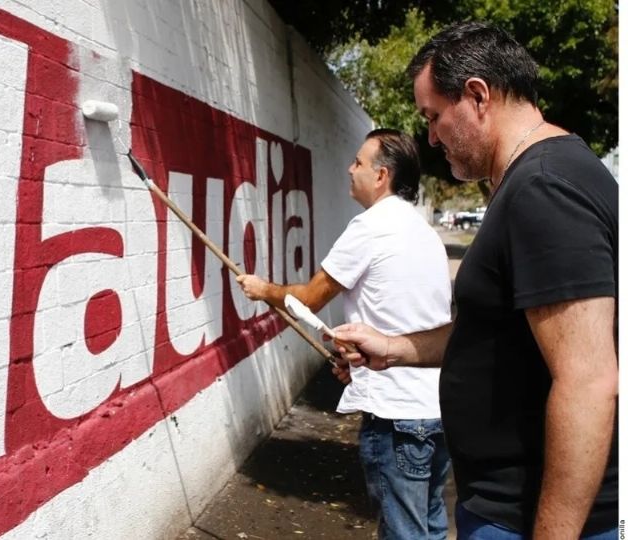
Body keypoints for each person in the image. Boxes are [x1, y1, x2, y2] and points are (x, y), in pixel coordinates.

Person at [332, 21, 618, 540]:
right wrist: (392, 347)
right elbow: (497, 331)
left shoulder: (544, 187)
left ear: (478, 95)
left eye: (434, 117)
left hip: (526, 517)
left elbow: (590, 380)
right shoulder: (535, 179)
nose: (431, 137)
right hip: (500, 506)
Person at [237, 129, 453, 539]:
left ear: (381, 176)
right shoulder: (424, 231)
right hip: (438, 408)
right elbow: (408, 316)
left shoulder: (369, 227)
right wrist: (356, 358)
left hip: (397, 417)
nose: (349, 169)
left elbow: (309, 300)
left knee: (405, 533)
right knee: (431, 527)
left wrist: (264, 290)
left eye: (358, 162)